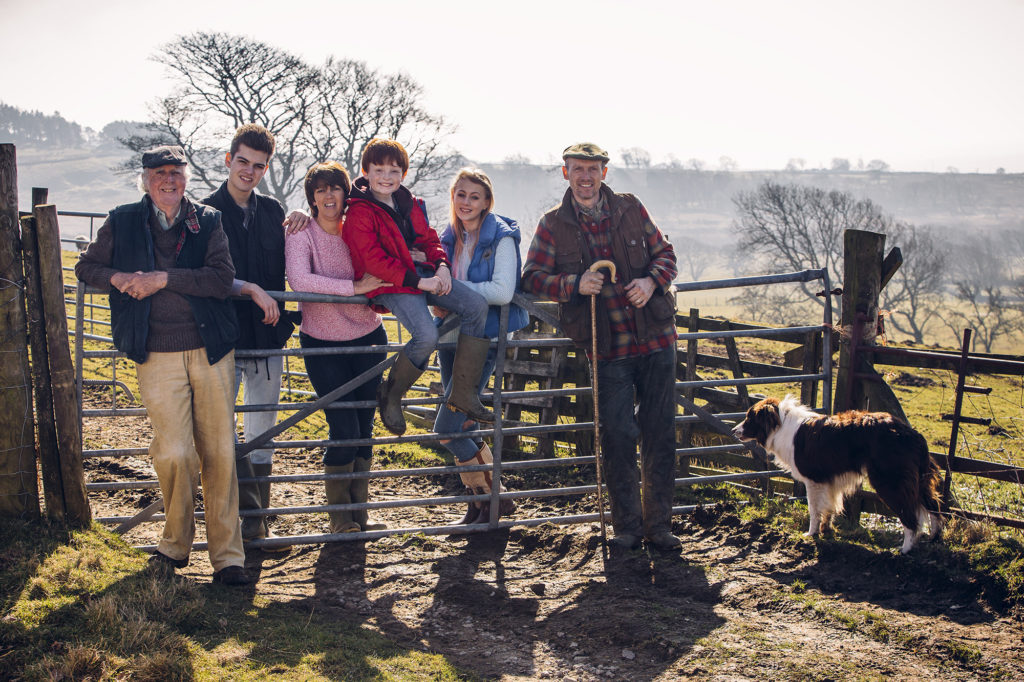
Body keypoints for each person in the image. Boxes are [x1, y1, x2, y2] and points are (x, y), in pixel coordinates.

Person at [76, 145, 249, 584]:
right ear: (146, 179)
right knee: (174, 451)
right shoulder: (123, 220)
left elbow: (221, 278)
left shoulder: (207, 220)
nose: (169, 180)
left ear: (186, 177)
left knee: (220, 452)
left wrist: (164, 279)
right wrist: (118, 278)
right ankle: (174, 546)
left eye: (176, 172)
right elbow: (86, 266)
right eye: (160, 173)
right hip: (156, 350)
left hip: (211, 349)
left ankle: (228, 558)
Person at [521, 142, 681, 551]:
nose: (586, 177)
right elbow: (532, 277)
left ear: (604, 173)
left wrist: (652, 282)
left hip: (656, 338)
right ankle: (627, 525)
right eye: (578, 169)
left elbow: (666, 254)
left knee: (660, 430)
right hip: (606, 346)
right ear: (565, 173)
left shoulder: (630, 208)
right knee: (617, 434)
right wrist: (573, 284)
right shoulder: (553, 224)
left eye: (593, 169)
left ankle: (658, 525)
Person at [342, 138, 491, 436]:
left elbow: (429, 240)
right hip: (389, 282)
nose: (386, 177)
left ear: (403, 174)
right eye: (379, 169)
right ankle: (392, 394)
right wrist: (418, 278)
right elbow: (373, 259)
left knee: (476, 306)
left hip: (420, 275)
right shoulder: (359, 211)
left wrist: (441, 266)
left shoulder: (410, 203)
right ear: (366, 172)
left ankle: (462, 392)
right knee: (425, 336)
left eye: (394, 170)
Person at [200, 123, 294, 547]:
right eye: (242, 162)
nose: (249, 171)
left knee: (263, 431)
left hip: (268, 339)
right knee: (221, 429)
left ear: (266, 168)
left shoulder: (276, 212)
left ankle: (255, 522)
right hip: (221, 340)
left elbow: (299, 258)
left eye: (258, 165)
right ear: (228, 160)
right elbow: (204, 276)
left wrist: (306, 217)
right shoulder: (202, 212)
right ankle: (228, 521)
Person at [286, 162, 389, 533]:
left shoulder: (357, 230)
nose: (329, 196)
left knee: (364, 427)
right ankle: (339, 518)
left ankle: (359, 514)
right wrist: (354, 288)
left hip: (368, 337)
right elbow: (299, 279)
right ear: (311, 197)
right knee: (343, 427)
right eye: (321, 190)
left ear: (346, 194)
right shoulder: (301, 233)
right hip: (323, 343)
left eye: (336, 189)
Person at [432, 169, 527, 524]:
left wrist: (451, 291)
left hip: (481, 338)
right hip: (449, 336)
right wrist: (440, 294)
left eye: (474, 196)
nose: (466, 202)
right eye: (460, 194)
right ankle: (480, 504)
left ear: (487, 201)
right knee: (464, 426)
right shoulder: (446, 236)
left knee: (446, 429)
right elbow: (434, 285)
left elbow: (502, 291)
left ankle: (495, 498)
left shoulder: (501, 237)